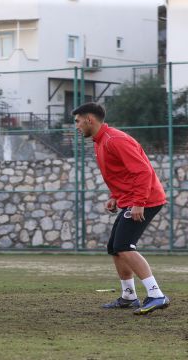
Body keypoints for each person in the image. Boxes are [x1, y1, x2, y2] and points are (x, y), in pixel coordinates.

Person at [73, 102, 170, 315]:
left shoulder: (114, 140)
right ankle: (129, 296)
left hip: (147, 199)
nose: (77, 126)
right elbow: (120, 174)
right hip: (129, 199)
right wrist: (115, 196)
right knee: (116, 248)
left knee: (125, 246)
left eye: (78, 122)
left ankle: (156, 295)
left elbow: (142, 172)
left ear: (90, 119)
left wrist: (138, 202)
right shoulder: (100, 141)